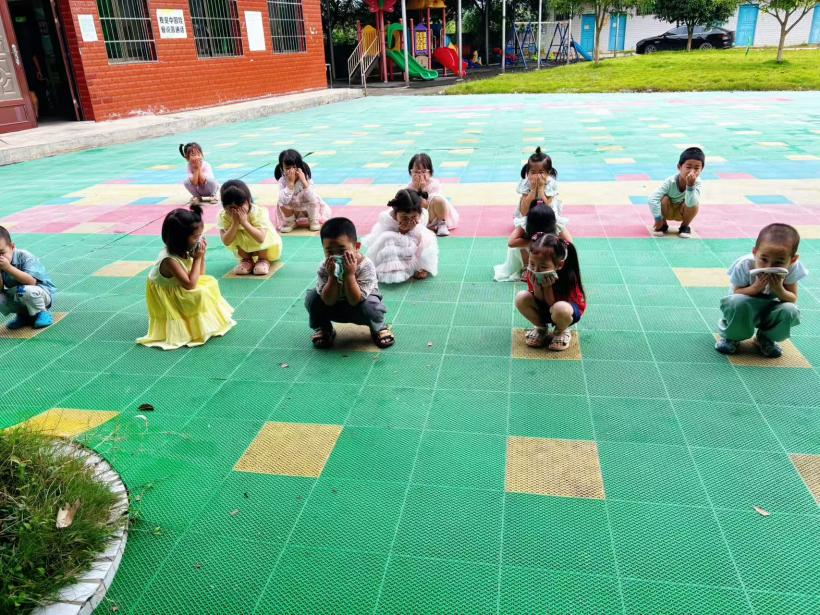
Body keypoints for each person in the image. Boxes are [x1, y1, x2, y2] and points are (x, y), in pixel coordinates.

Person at [137, 205, 235, 350]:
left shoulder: (185, 248)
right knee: (199, 293)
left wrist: (202, 256)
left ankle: (201, 323)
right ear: (180, 238)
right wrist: (197, 259)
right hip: (167, 292)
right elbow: (190, 285)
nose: (199, 239)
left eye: (200, 235)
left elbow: (200, 275)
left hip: (181, 284)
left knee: (211, 283)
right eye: (196, 237)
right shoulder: (169, 260)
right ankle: (190, 326)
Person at [716, 223, 807, 358]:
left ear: (793, 259)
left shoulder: (793, 268)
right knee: (736, 302)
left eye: (779, 262)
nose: (769, 266)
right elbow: (736, 293)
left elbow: (792, 298)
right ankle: (732, 336)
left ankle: (765, 338)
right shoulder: (745, 264)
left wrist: (779, 290)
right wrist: (755, 288)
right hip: (745, 307)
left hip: (771, 308)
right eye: (763, 259)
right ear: (755, 252)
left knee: (790, 310)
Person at [305, 217, 394, 349]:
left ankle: (378, 328)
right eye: (329, 251)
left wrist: (350, 275)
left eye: (341, 251)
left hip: (359, 307)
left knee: (372, 306)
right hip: (334, 305)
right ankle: (324, 329)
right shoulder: (325, 267)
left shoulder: (366, 265)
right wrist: (332, 277)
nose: (336, 256)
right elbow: (328, 301)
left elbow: (355, 300)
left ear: (356, 247)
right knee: (312, 298)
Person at [514, 232, 586, 351]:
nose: (536, 270)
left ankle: (561, 331)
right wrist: (537, 287)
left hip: (565, 313)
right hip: (545, 309)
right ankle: (541, 328)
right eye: (531, 264)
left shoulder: (568, 277)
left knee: (560, 309)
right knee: (521, 297)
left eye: (543, 267)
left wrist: (547, 288)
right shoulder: (531, 273)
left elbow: (554, 307)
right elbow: (540, 303)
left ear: (559, 265)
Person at [363, 189, 439, 283]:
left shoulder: (422, 216)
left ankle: (421, 267)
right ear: (395, 214)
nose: (409, 220)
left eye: (414, 216)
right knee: (388, 238)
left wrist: (411, 229)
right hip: (394, 243)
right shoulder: (387, 219)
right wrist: (402, 230)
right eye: (404, 217)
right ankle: (395, 269)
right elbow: (381, 241)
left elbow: (419, 233)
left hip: (412, 241)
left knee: (427, 238)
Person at [217, 179, 282, 276]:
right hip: (245, 246)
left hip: (263, 247)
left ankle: (263, 259)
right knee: (234, 232)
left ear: (248, 200)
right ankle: (247, 260)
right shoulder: (224, 216)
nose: (236, 211)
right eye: (231, 208)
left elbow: (261, 238)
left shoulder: (258, 213)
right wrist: (235, 224)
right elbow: (226, 241)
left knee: (262, 232)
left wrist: (244, 222)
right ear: (224, 207)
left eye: (240, 206)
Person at [0, 226, 56, 329]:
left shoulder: (25, 257)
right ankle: (23, 316)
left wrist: (8, 268)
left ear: (12, 247)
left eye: (2, 253)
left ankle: (42, 312)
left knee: (24, 290)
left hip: (41, 294)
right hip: (20, 294)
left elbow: (31, 282)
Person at [649, 147, 704, 239]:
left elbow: (691, 204)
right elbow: (652, 198)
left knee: (695, 203)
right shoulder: (670, 182)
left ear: (701, 169)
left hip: (683, 212)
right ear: (679, 167)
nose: (692, 171)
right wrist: (658, 218)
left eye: (696, 168)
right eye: (688, 167)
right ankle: (663, 225)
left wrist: (690, 186)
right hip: (668, 211)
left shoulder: (697, 183)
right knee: (664, 198)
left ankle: (684, 226)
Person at [515, 147, 569, 240]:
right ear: (527, 173)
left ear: (548, 173)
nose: (537, 176)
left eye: (541, 172)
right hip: (529, 213)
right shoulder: (525, 182)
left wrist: (540, 188)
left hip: (548, 213)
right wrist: (532, 190)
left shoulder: (551, 183)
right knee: (520, 234)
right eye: (533, 172)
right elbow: (524, 212)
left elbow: (547, 207)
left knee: (566, 238)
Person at [494, 204, 556, 282]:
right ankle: (526, 268)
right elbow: (511, 243)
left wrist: (549, 242)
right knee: (520, 245)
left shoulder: (557, 224)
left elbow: (568, 241)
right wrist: (533, 241)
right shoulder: (523, 223)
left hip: (548, 248)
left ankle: (550, 266)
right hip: (529, 248)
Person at [275, 149, 332, 232]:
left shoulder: (306, 178)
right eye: (287, 168)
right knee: (281, 202)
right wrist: (290, 184)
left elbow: (313, 198)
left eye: (294, 167)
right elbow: (283, 200)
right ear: (282, 168)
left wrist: (305, 183)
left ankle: (313, 221)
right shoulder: (282, 181)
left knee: (314, 199)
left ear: (300, 166)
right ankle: (290, 222)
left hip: (307, 208)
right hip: (293, 210)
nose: (292, 171)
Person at [407, 153, 459, 237]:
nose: (420, 175)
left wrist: (422, 189)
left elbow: (426, 204)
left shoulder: (434, 184)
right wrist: (417, 189)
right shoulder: (409, 188)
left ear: (430, 173)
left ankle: (442, 224)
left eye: (424, 171)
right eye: (416, 172)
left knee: (438, 200)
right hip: (420, 217)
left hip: (434, 215)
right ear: (411, 173)